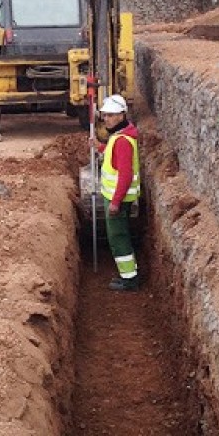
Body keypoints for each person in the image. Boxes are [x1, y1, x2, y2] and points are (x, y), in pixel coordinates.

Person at [94, 94, 141, 291]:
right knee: (119, 235)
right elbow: (113, 156)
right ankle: (130, 274)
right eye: (104, 115)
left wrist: (115, 202)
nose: (106, 119)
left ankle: (129, 279)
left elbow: (125, 174)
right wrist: (100, 147)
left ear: (121, 116)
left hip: (118, 199)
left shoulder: (122, 140)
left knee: (118, 237)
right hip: (116, 197)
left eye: (110, 115)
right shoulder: (119, 136)